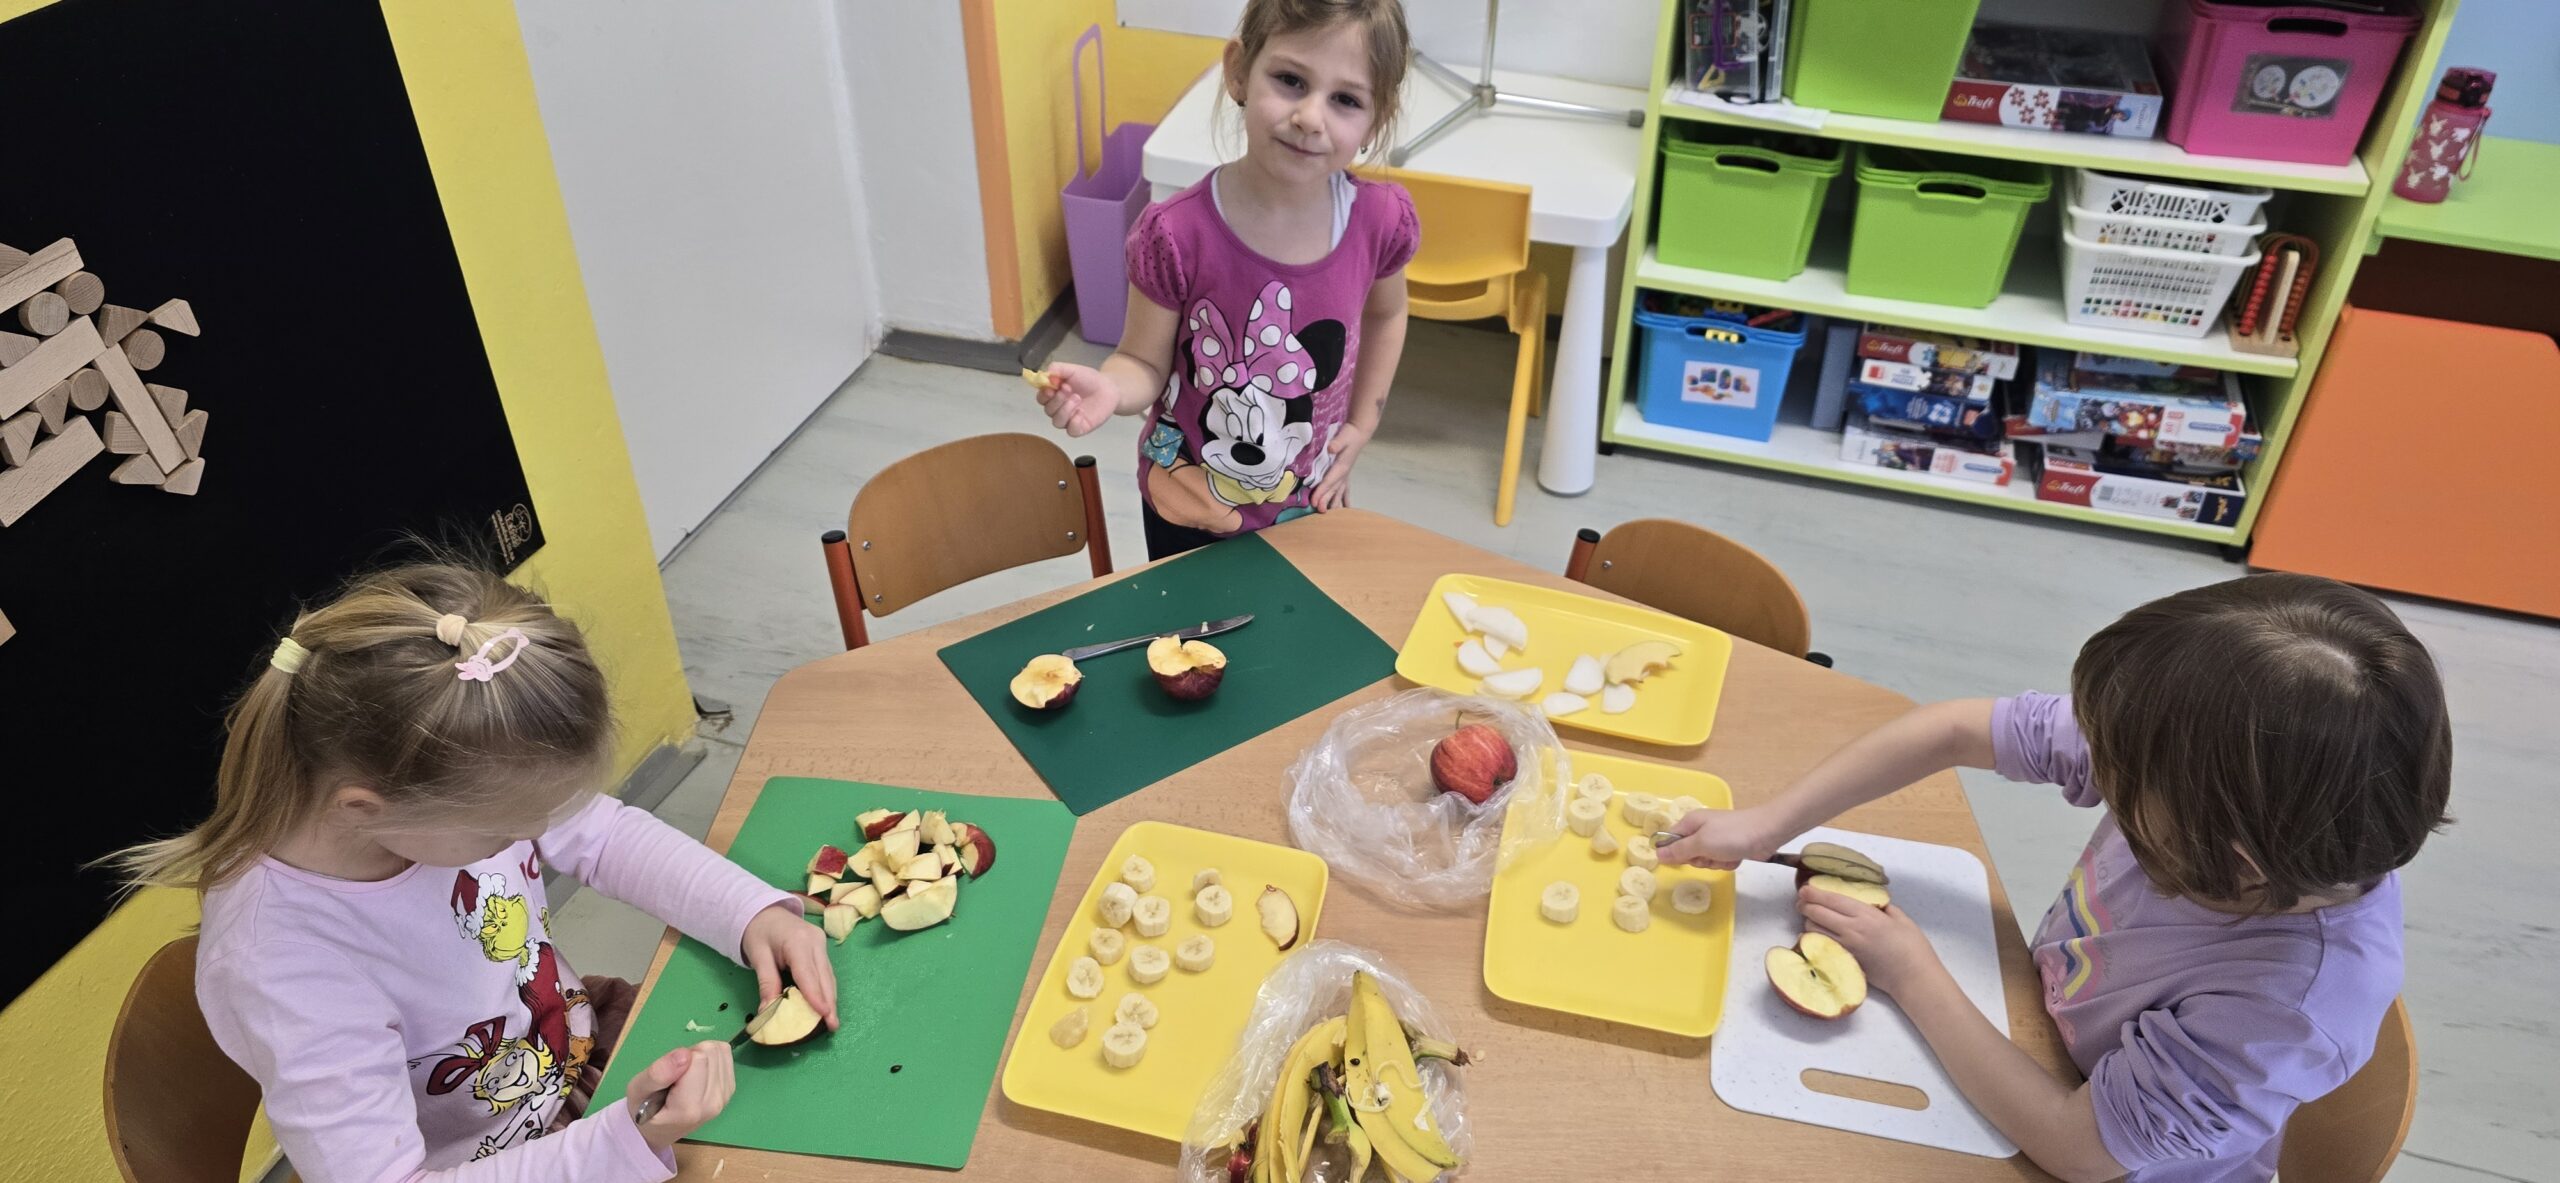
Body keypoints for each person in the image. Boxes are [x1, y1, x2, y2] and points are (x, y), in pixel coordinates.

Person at [1661, 573, 2452, 1183]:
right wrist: (1771, 822)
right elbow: (1955, 729)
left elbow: (2077, 1149)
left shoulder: (2285, 1008)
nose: (2101, 770)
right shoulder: (2203, 761)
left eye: (2124, 789)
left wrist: (1912, 971)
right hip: (2040, 1031)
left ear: (2230, 859)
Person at [111, 563, 840, 1180]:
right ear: (366, 808)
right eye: (506, 830)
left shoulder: (445, 784)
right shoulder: (285, 966)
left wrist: (748, 911)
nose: (530, 836)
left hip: (569, 1064)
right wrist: (620, 1142)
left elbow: (605, 834)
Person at [1033, 0, 1417, 559]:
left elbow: (1388, 313)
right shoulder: (1175, 234)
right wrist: (1112, 388)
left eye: (1346, 100)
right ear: (1239, 71)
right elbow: (1142, 361)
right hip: (1186, 502)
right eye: (1291, 80)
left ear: (1375, 120)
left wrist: (1362, 423)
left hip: (1308, 500)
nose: (1311, 117)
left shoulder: (1378, 220)